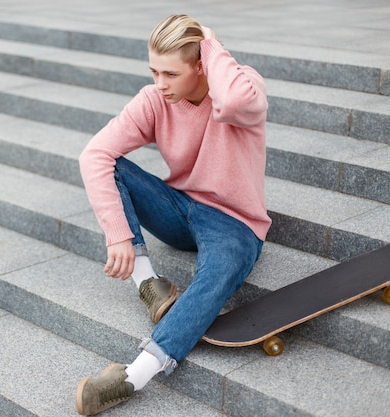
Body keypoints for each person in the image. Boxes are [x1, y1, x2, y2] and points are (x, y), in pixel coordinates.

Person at [75, 14, 271, 415]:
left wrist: (211, 44)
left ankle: (133, 377)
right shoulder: (155, 100)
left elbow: (232, 101)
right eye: (153, 71)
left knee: (221, 272)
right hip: (179, 210)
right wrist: (119, 234)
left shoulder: (243, 86)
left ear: (201, 65)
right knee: (110, 163)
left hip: (234, 222)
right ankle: (149, 284)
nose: (159, 83)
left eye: (170, 73)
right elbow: (94, 154)